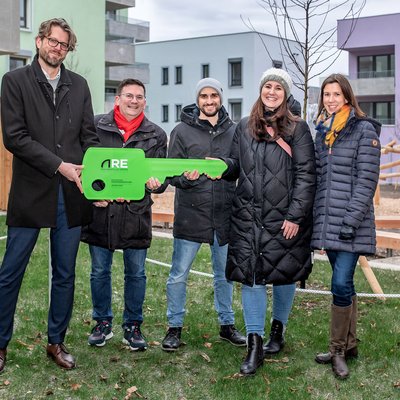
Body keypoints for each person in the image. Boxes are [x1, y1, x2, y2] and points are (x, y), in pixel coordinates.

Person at [0, 18, 100, 372]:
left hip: (72, 195)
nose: (58, 48)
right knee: (11, 271)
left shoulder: (80, 85)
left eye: (65, 45)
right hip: (31, 192)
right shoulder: (14, 82)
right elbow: (15, 137)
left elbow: (89, 138)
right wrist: (60, 165)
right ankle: (0, 343)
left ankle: (56, 342)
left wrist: (96, 182)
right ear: (40, 41)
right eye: (53, 42)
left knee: (65, 273)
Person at [222, 68, 316, 375]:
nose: (271, 91)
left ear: (285, 94)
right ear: (261, 90)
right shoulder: (244, 127)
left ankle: (278, 330)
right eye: (267, 86)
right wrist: (221, 166)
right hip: (248, 217)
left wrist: (295, 215)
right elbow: (236, 165)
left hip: (283, 218)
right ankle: (255, 344)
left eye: (277, 87)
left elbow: (305, 174)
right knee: (252, 278)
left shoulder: (297, 129)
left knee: (284, 273)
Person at [81, 78, 167, 351]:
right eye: (128, 95)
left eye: (139, 97)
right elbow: (86, 167)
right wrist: (95, 194)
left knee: (136, 273)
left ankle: (133, 325)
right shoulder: (95, 126)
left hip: (135, 214)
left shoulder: (155, 135)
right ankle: (102, 323)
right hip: (101, 213)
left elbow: (161, 177)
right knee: (99, 271)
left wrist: (156, 183)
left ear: (145, 101)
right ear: (117, 99)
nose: (134, 100)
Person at [161, 78, 246, 351]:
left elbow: (239, 168)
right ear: (197, 100)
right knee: (178, 275)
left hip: (224, 215)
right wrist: (186, 178)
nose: (209, 101)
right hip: (190, 214)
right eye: (204, 96)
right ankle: (174, 327)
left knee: (225, 276)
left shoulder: (234, 131)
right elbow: (171, 172)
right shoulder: (181, 132)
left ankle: (226, 325)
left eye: (213, 96)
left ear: (220, 98)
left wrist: (226, 166)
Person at [312, 74, 381, 379]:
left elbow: (367, 181)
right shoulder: (323, 132)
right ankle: (349, 345)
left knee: (340, 284)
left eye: (336, 94)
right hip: (328, 222)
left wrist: (351, 222)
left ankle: (337, 350)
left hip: (351, 223)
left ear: (347, 97)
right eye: (326, 94)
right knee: (345, 285)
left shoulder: (363, 130)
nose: (330, 99)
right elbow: (320, 180)